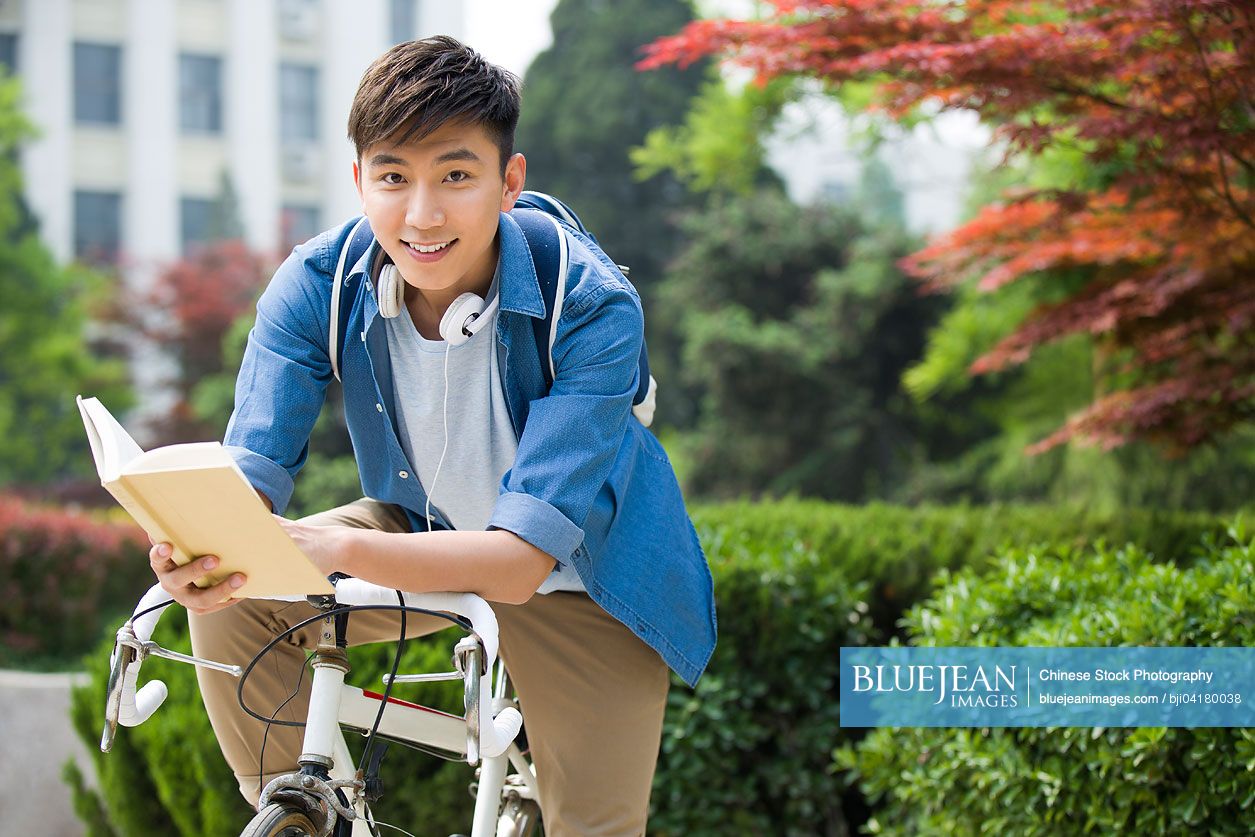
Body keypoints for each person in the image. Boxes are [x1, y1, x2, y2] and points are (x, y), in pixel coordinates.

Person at [146, 35, 716, 836]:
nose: (421, 215)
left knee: (594, 826)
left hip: (583, 575)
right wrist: (199, 538)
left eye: (455, 175)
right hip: (422, 528)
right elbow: (253, 468)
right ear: (358, 182)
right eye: (392, 178)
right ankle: (307, 815)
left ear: (507, 181)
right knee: (234, 586)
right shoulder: (315, 286)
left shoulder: (589, 303)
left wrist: (330, 548)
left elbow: (518, 562)